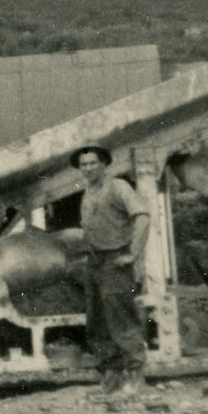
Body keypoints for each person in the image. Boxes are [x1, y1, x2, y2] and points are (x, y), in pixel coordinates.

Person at [71, 144, 150, 395]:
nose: (89, 168)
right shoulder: (87, 191)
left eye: (93, 163)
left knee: (122, 319)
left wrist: (132, 254)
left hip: (115, 260)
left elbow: (143, 217)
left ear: (104, 164)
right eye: (84, 165)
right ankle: (112, 376)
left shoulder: (118, 187)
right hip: (94, 262)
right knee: (98, 321)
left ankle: (135, 376)